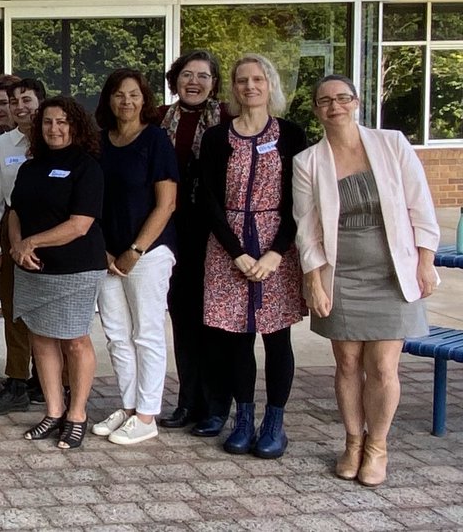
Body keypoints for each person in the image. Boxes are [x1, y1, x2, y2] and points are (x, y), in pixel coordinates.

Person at [294, 75, 440, 486]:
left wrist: (425, 261)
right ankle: (352, 442)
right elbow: (307, 229)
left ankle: (377, 446)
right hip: (341, 275)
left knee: (382, 366)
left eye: (342, 98)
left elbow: (420, 205)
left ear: (356, 102)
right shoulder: (308, 162)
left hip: (393, 272)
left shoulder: (391, 144)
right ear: (317, 109)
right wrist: (314, 281)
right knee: (347, 362)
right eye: (325, 101)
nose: (334, 106)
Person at [199, 54, 307, 459]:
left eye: (258, 79)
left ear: (270, 84)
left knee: (277, 338)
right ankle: (243, 419)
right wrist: (237, 253)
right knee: (236, 341)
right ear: (233, 88)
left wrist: (277, 252)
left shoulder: (292, 135)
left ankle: (274, 423)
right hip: (228, 245)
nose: (250, 87)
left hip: (276, 244)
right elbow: (208, 200)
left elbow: (302, 200)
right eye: (242, 80)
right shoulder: (216, 137)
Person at [9, 96, 106, 450]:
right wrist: (18, 246)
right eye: (48, 122)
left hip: (76, 268)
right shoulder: (29, 167)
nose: (55, 128)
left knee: (75, 340)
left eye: (63, 121)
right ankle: (53, 411)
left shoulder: (87, 167)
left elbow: (80, 225)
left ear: (76, 126)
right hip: (32, 267)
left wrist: (29, 243)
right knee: (41, 338)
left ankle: (77, 415)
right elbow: (15, 211)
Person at [91, 69, 179, 446]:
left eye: (134, 95)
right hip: (106, 253)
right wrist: (108, 250)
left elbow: (167, 203)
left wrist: (134, 251)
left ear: (144, 100)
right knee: (116, 335)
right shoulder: (99, 142)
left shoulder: (155, 140)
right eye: (118, 95)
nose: (126, 101)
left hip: (148, 253)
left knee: (146, 333)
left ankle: (147, 414)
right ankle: (128, 407)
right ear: (108, 100)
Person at [156, 51, 234, 433]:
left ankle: (216, 406)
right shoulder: (158, 119)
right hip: (173, 231)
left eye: (203, 76)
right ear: (175, 80)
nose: (195, 82)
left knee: (214, 322)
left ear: (214, 83)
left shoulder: (229, 122)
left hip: (215, 233)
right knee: (184, 320)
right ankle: (187, 402)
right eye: (187, 74)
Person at [0, 78, 46, 415]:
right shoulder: (4, 145)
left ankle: (50, 380)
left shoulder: (57, 137)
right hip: (11, 228)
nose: (20, 107)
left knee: (49, 308)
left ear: (41, 102)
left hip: (52, 229)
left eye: (27, 100)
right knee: (13, 308)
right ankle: (18, 381)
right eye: (14, 101)